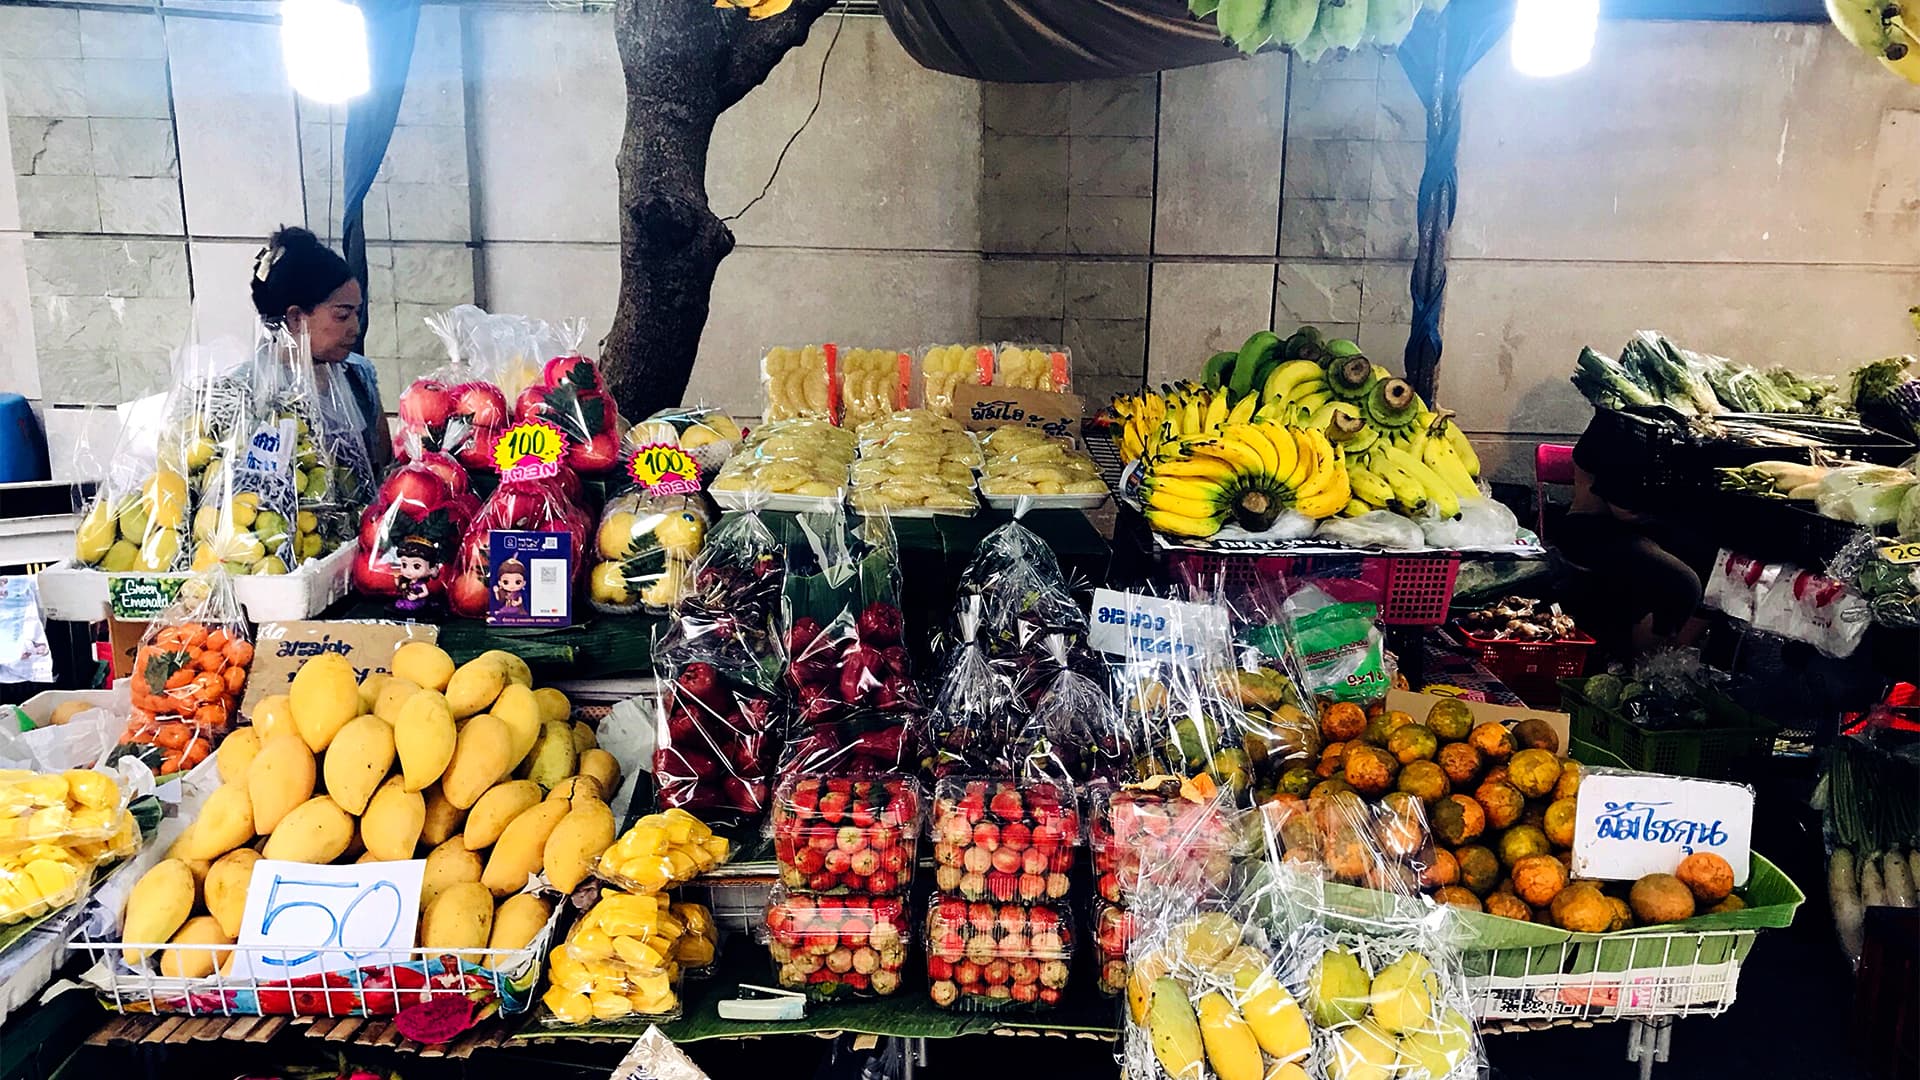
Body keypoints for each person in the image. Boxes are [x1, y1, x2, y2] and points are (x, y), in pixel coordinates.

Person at [1552, 408, 1716, 656]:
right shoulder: (1619, 424)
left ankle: (1673, 658)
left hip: (1646, 528)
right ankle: (1638, 664)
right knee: (1682, 584)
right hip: (1590, 527)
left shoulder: (1668, 428)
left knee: (1716, 566)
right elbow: (1625, 510)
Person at [249, 226, 391, 469]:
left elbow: (382, 462)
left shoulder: (358, 375)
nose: (356, 328)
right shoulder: (248, 391)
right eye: (342, 315)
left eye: (357, 313)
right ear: (296, 318)